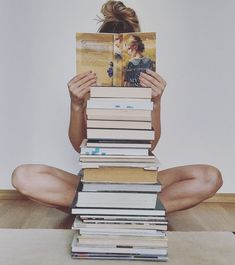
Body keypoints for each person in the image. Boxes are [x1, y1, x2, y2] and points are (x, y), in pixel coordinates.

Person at [11, 0, 223, 214]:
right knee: (24, 176)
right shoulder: (88, 89)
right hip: (95, 181)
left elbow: (149, 147)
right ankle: (127, 208)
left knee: (209, 177)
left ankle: (109, 207)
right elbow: (79, 146)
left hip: (140, 180)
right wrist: (76, 104)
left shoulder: (147, 86)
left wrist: (156, 102)